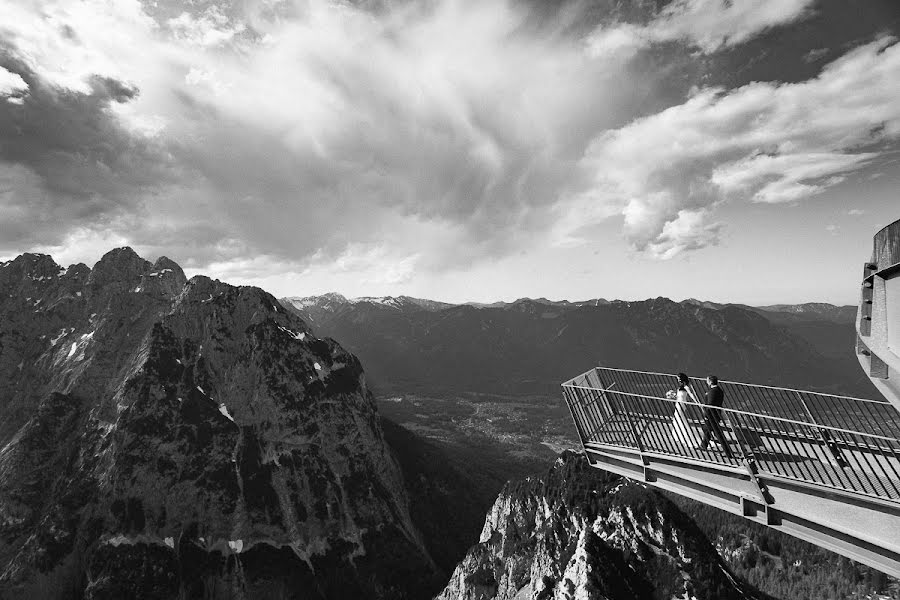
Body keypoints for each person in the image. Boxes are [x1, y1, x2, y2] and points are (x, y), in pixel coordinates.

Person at [699, 375, 734, 458]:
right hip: (716, 414)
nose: (706, 382)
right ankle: (703, 446)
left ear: (710, 382)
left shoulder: (712, 391)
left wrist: (706, 415)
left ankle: (728, 453)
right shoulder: (719, 390)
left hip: (712, 415)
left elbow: (710, 404)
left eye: (707, 381)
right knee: (708, 430)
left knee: (718, 434)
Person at [671, 373, 700, 447]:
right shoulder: (680, 387)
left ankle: (684, 435)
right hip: (678, 404)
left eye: (678, 378)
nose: (677, 380)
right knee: (677, 419)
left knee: (679, 418)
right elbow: (678, 396)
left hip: (681, 405)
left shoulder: (686, 387)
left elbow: (691, 394)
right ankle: (679, 434)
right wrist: (673, 396)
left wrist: (698, 403)